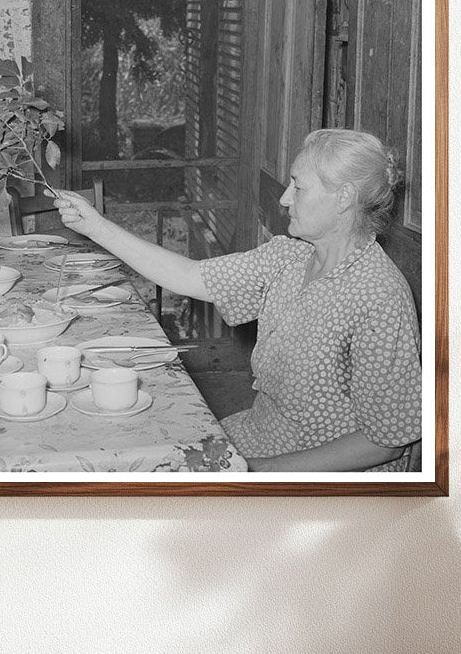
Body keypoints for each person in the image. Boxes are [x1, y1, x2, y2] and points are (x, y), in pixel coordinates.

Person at [53, 128, 421, 472]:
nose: (284, 198)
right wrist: (94, 226)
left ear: (343, 198)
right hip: (261, 434)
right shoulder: (290, 257)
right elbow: (189, 276)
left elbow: (384, 443)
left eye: (298, 186)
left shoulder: (379, 295)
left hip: (321, 470)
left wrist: (263, 472)